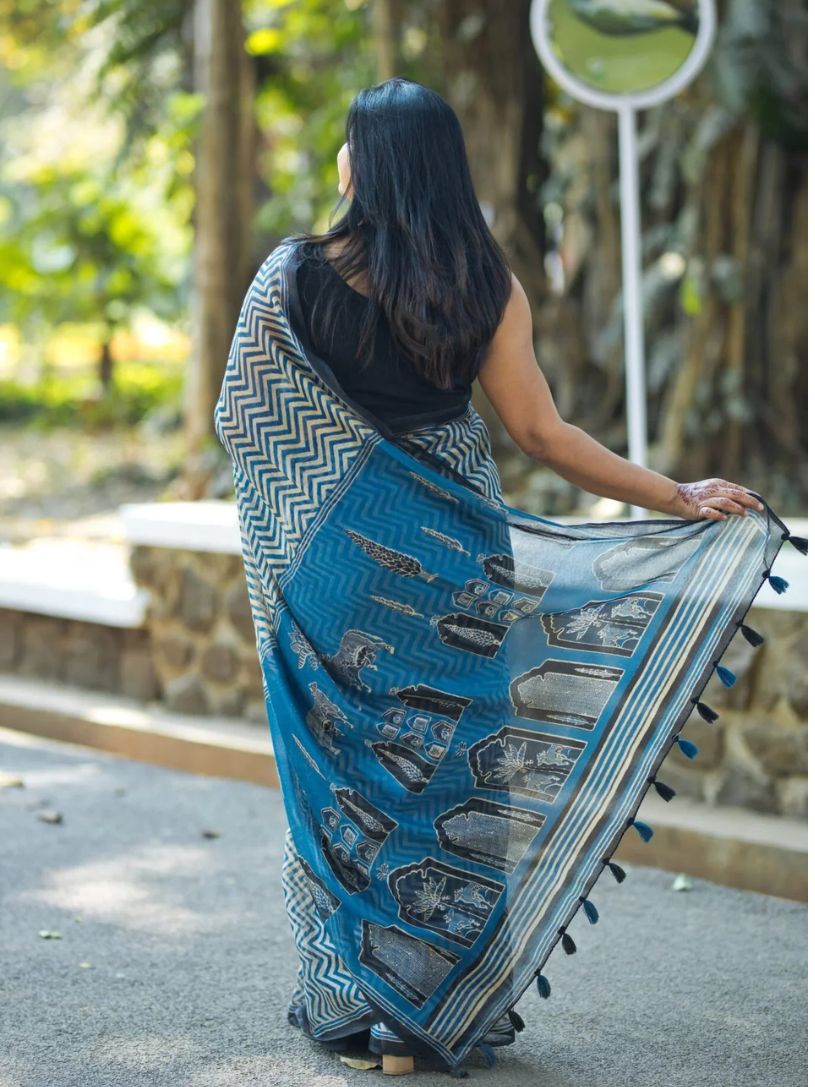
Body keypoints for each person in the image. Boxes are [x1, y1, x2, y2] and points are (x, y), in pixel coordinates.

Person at [214, 77, 788, 1078]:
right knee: (450, 765)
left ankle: (348, 1002)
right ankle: (427, 1014)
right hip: (456, 564)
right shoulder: (485, 284)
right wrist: (673, 492)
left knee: (342, 775)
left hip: (336, 571)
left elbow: (241, 414)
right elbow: (539, 433)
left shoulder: (292, 274)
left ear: (362, 165)